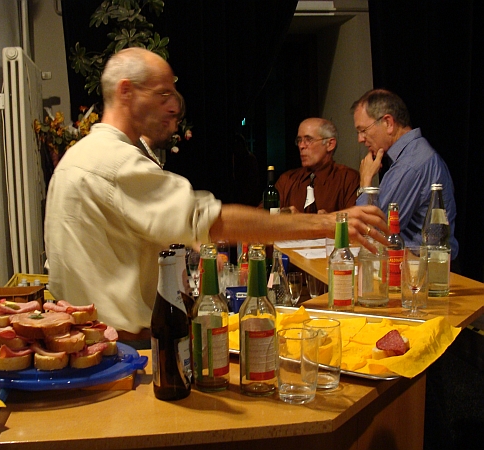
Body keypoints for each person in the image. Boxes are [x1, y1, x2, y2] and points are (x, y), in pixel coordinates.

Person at [44, 48, 387, 344]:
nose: (172, 108)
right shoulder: (114, 161)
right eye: (163, 94)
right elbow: (213, 220)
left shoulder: (80, 156)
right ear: (126, 92)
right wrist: (328, 222)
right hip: (123, 347)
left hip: (86, 343)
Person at [352, 89, 458, 258]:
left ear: (388, 123)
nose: (360, 138)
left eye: (363, 130)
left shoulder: (410, 164)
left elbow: (373, 231)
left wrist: (365, 183)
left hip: (425, 272)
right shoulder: (412, 155)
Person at [272, 118, 360, 213]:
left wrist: (328, 222)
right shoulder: (287, 180)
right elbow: (262, 218)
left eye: (308, 140)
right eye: (299, 140)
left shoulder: (348, 179)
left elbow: (355, 221)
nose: (301, 146)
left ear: (330, 144)